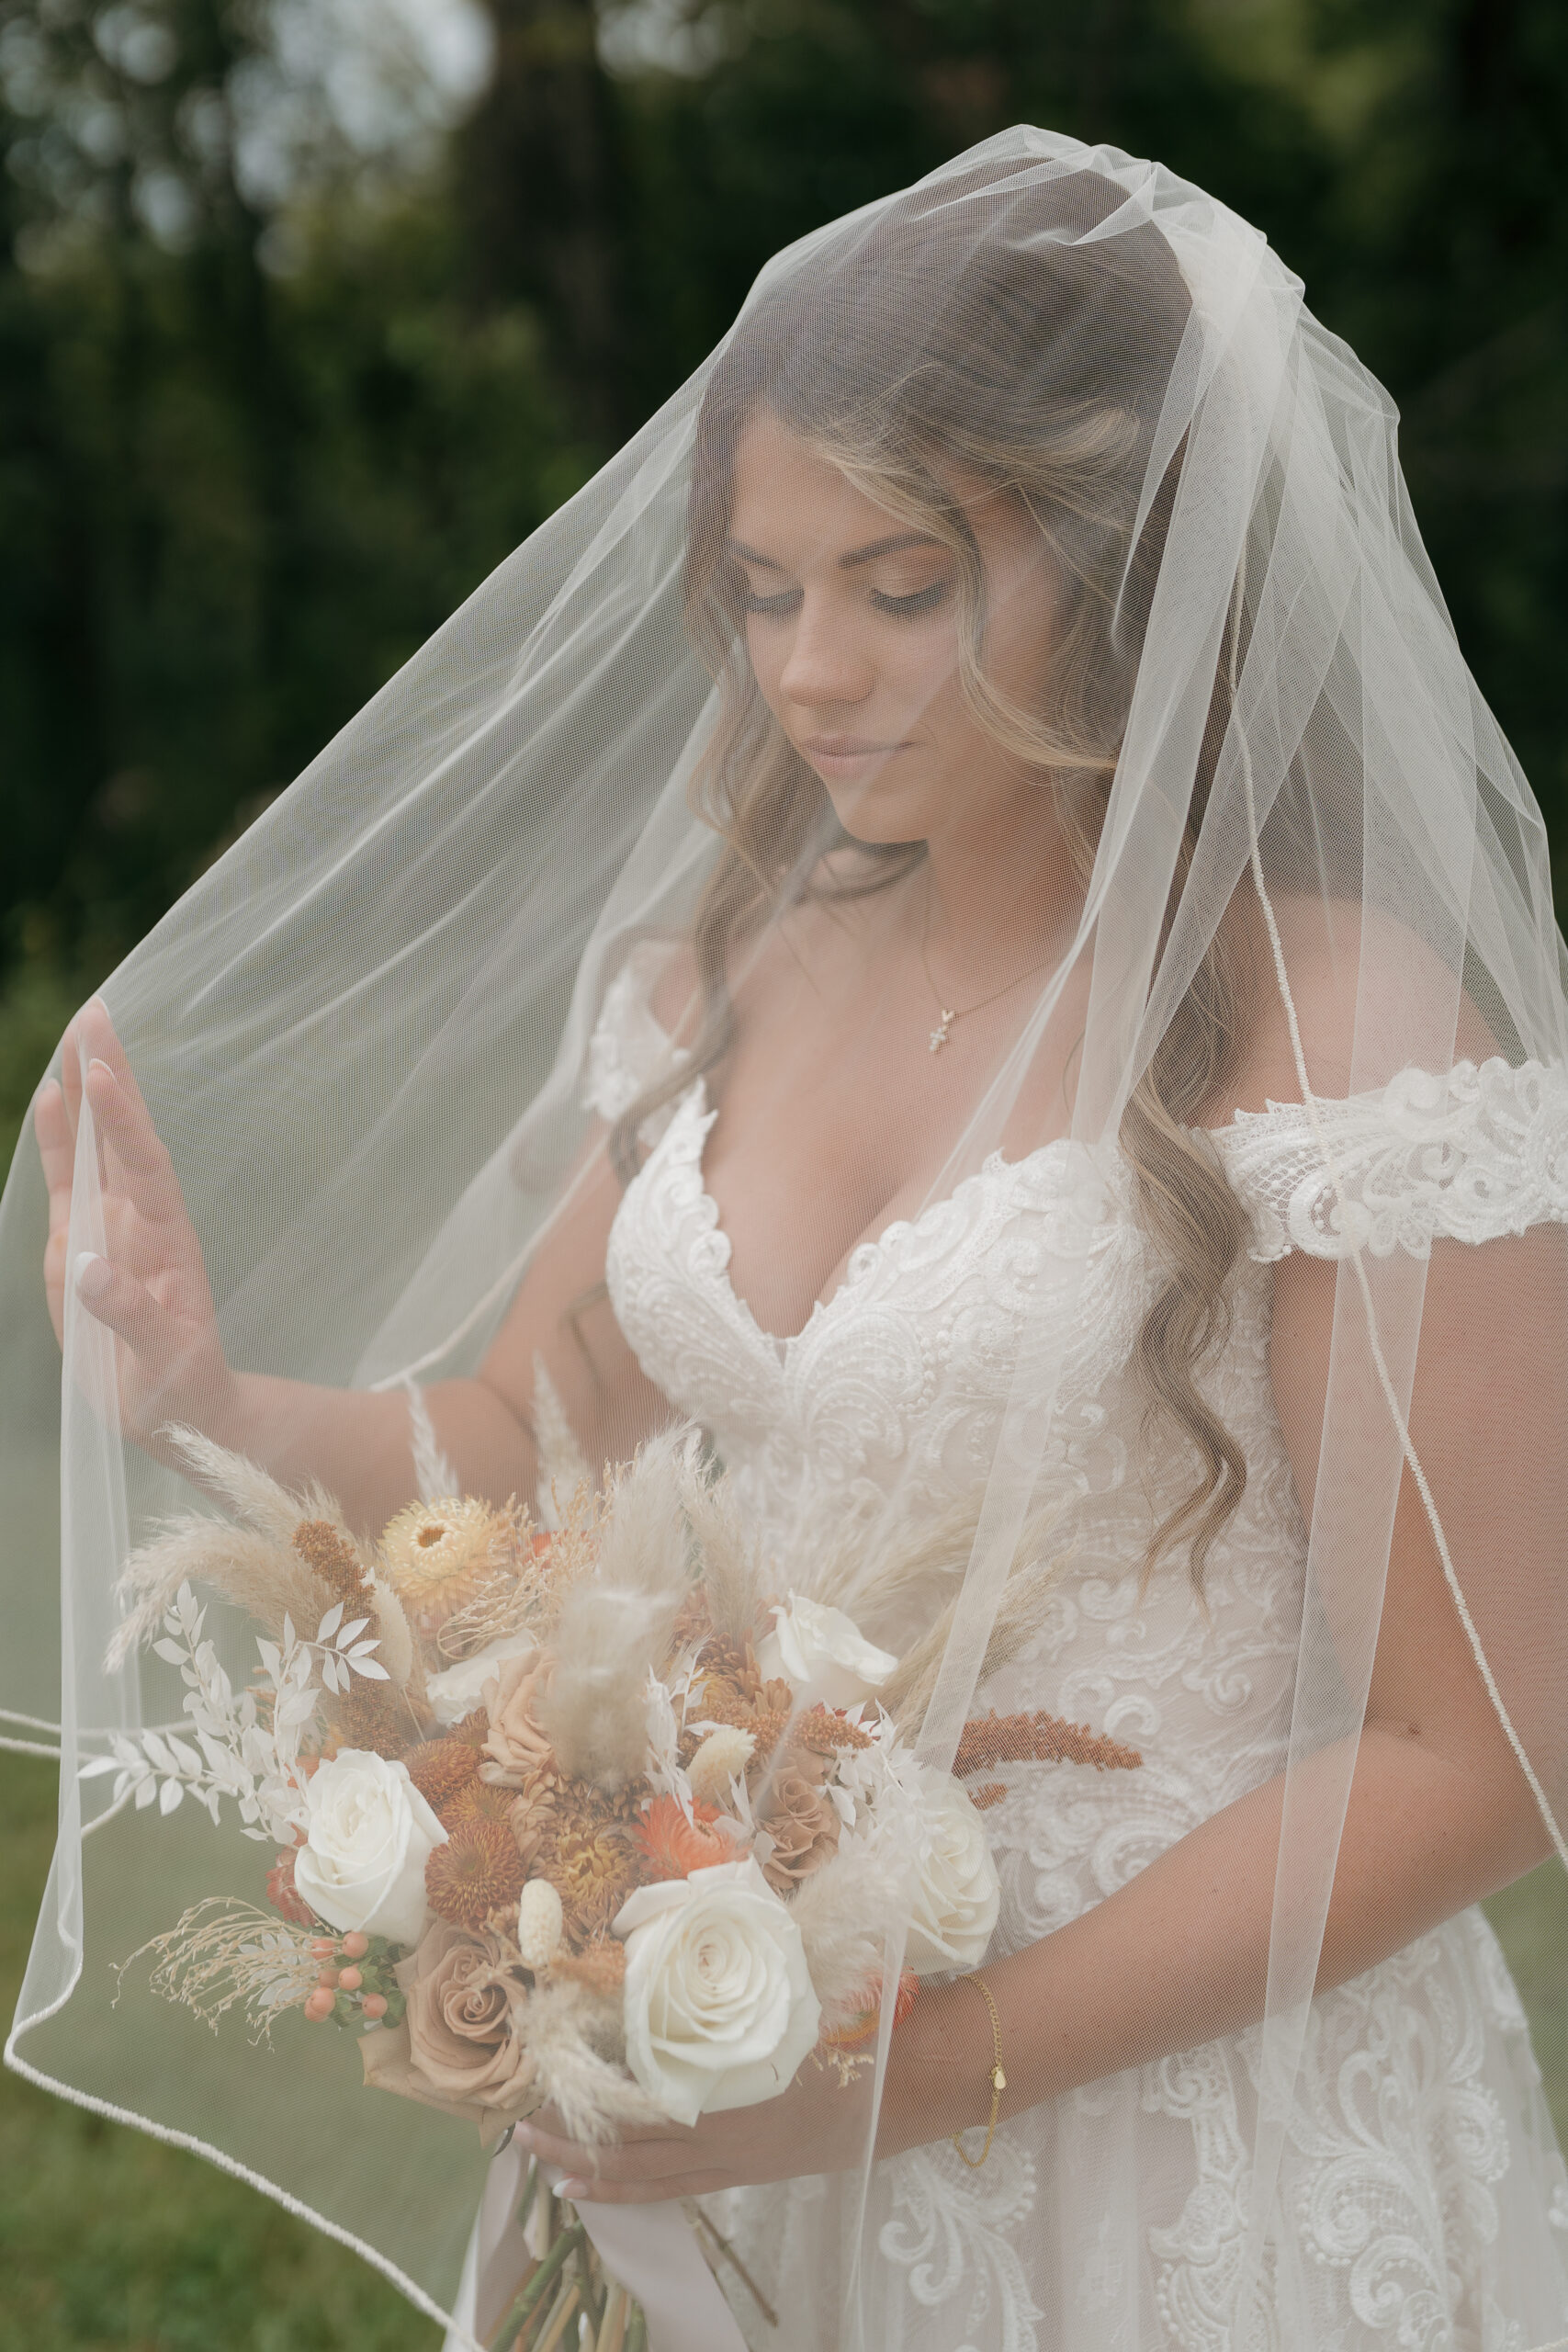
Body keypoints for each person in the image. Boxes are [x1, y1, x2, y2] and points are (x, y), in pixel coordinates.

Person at [9, 129, 1568, 2350]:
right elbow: (509, 1439)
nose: (808, 669)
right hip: (731, 2057)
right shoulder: (729, 963)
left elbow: (1483, 1754)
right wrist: (205, 1392)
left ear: (1117, 571)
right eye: (759, 589)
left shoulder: (1338, 1032)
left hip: (1166, 2154)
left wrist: (881, 2083)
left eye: (900, 583)